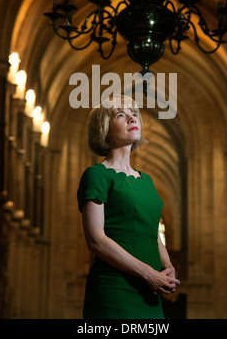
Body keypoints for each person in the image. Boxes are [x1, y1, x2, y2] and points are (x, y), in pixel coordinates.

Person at [77, 94, 180, 319]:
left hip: (150, 294)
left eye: (134, 114)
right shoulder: (97, 175)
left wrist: (167, 266)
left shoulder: (147, 181)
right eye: (121, 115)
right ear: (104, 128)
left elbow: (152, 233)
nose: (132, 118)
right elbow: (96, 240)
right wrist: (148, 274)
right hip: (115, 290)